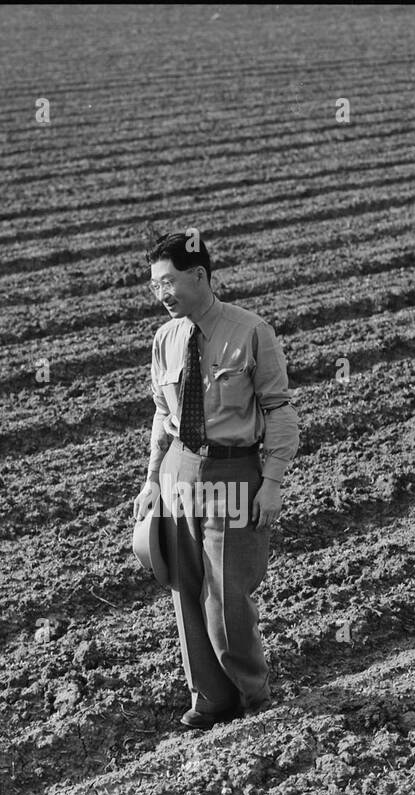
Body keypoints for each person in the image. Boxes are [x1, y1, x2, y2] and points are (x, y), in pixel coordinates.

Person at [131, 232, 300, 730]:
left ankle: (254, 698)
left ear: (199, 276)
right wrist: (151, 480)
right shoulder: (165, 339)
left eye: (168, 282)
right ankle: (210, 698)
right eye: (154, 285)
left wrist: (272, 482)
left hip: (233, 472)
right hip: (178, 470)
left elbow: (278, 409)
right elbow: (163, 415)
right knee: (185, 589)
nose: (161, 293)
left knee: (226, 595)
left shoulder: (250, 331)